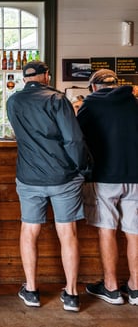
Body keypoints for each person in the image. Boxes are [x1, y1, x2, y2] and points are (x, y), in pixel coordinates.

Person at [6, 60, 89, 312]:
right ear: (46, 76)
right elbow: (73, 139)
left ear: (24, 79)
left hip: (29, 177)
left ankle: (31, 290)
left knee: (30, 231)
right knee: (68, 234)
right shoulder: (57, 99)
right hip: (63, 177)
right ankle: (72, 295)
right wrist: (82, 167)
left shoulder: (13, 102)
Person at [76, 69, 138, 306]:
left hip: (104, 176)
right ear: (116, 84)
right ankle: (135, 288)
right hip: (135, 176)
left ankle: (111, 287)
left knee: (107, 229)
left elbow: (76, 136)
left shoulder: (90, 105)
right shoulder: (134, 103)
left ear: (93, 87)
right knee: (134, 232)